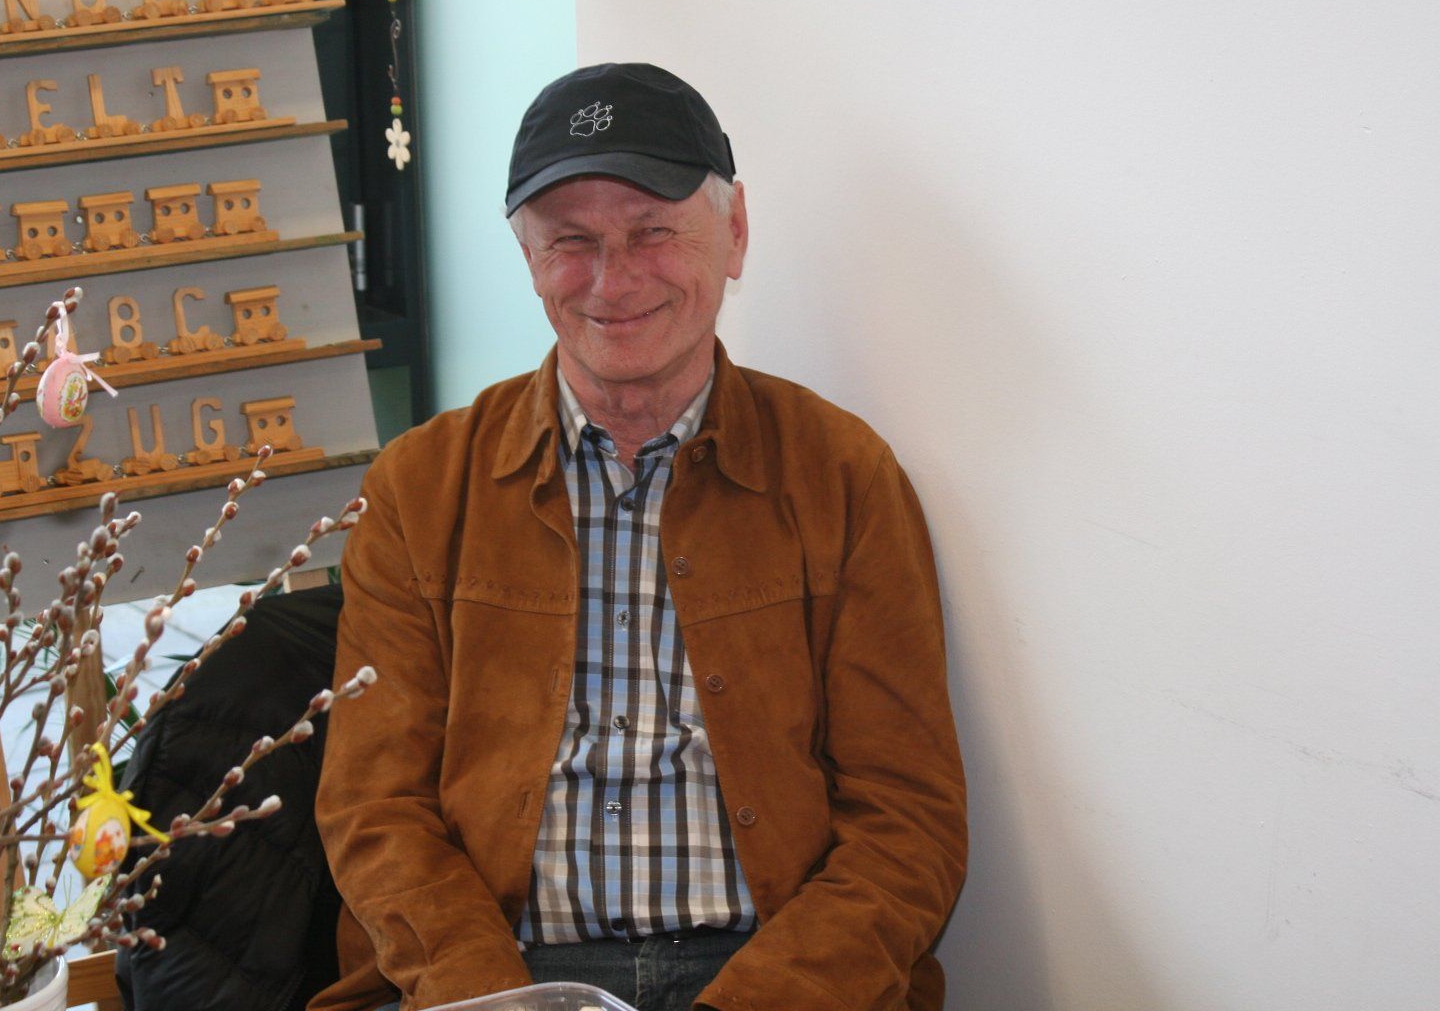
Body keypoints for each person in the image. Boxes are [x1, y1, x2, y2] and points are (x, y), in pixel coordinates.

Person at [312, 63, 967, 1011]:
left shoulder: (842, 476)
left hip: (774, 971)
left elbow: (909, 824)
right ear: (529, 259)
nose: (612, 281)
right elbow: (374, 809)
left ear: (734, 234)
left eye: (654, 232)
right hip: (504, 968)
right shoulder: (421, 488)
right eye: (570, 242)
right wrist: (496, 999)